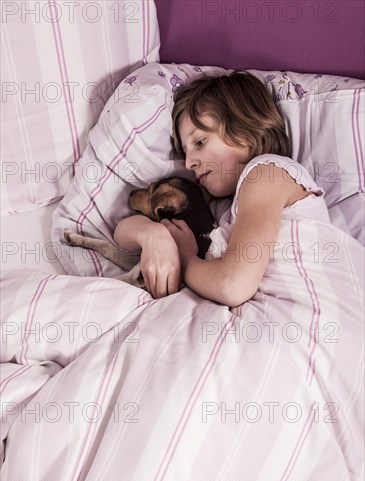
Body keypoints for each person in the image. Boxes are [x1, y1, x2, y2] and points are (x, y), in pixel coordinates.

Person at [114, 71, 328, 306]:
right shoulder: (223, 210)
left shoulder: (268, 173)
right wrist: (153, 236)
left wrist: (186, 258)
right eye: (185, 152)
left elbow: (232, 286)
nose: (188, 163)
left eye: (200, 142)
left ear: (246, 131)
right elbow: (121, 233)